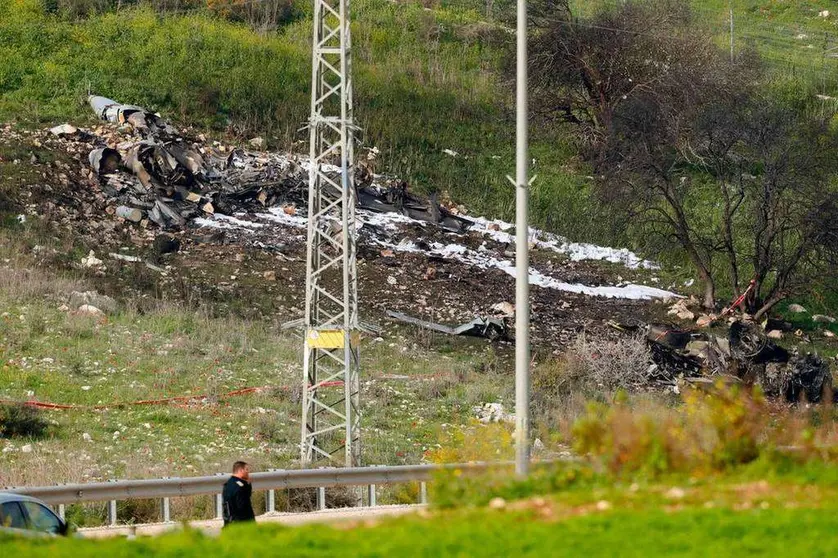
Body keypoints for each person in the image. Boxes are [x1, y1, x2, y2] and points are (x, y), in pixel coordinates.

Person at [222, 461, 255, 527]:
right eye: (246, 469)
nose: (248, 472)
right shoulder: (240, 486)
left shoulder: (228, 484)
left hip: (229, 523)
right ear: (240, 470)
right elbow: (243, 507)